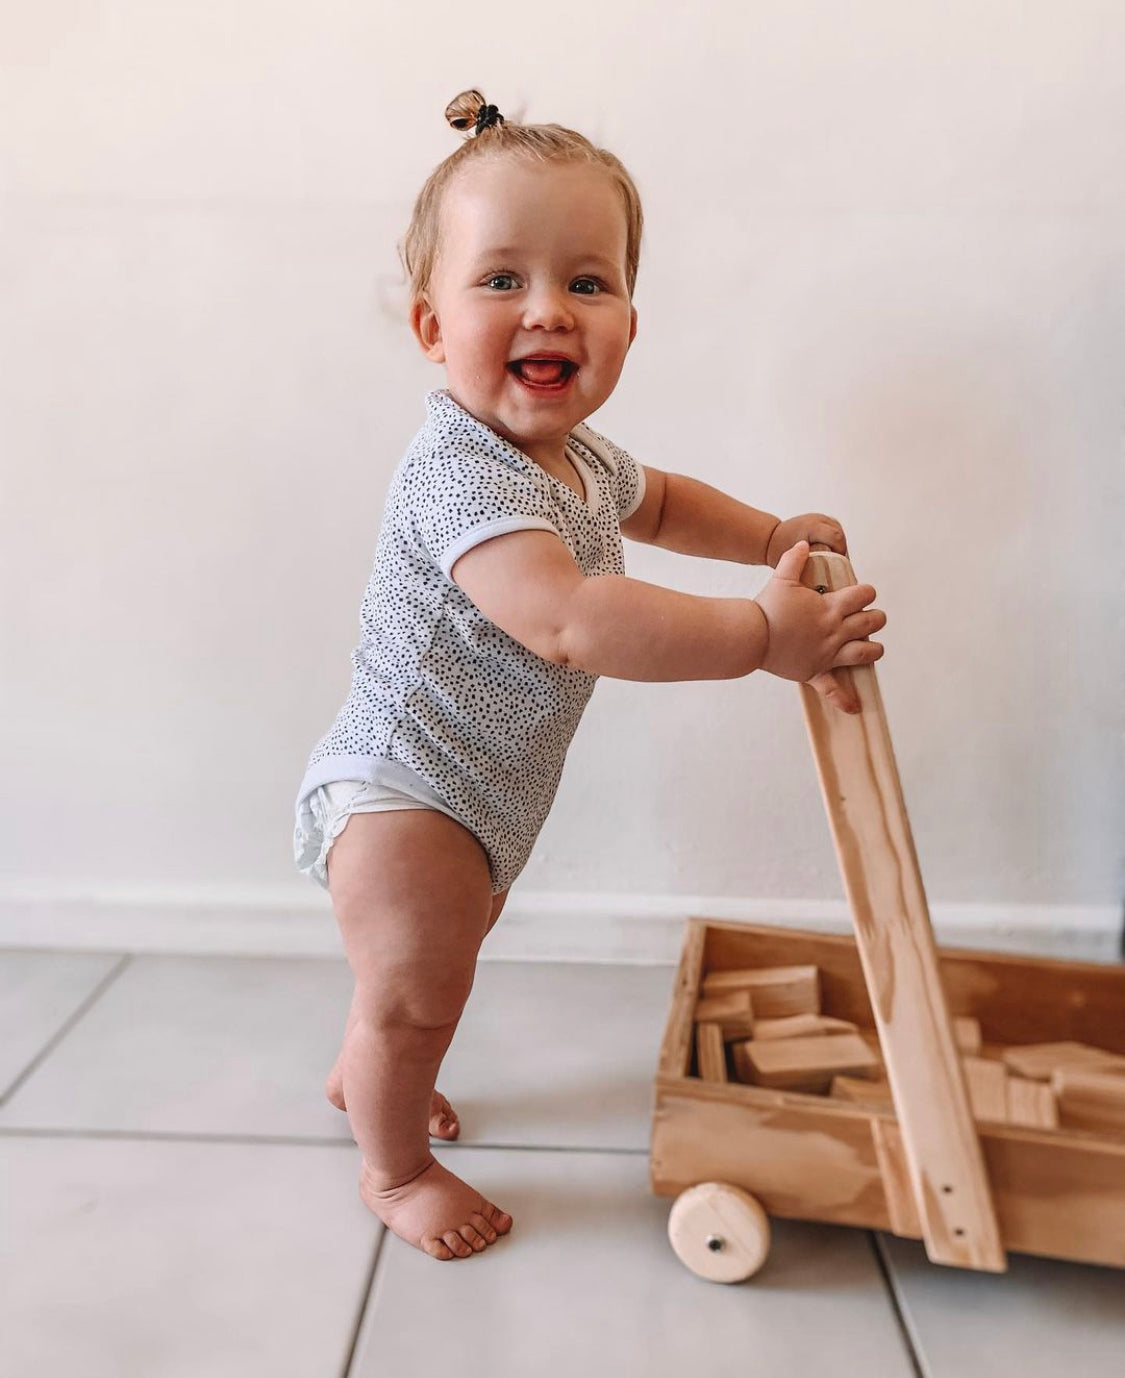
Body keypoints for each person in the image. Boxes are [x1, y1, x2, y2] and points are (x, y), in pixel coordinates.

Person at [292, 89, 886, 1262]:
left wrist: (771, 534)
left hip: (484, 793)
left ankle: (370, 1070)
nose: (547, 309)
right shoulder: (464, 477)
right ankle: (394, 1165)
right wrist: (759, 634)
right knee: (420, 991)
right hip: (407, 789)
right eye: (501, 280)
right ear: (430, 326)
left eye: (587, 281)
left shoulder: (577, 458)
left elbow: (661, 502)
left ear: (627, 317)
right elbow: (571, 620)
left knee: (425, 976)